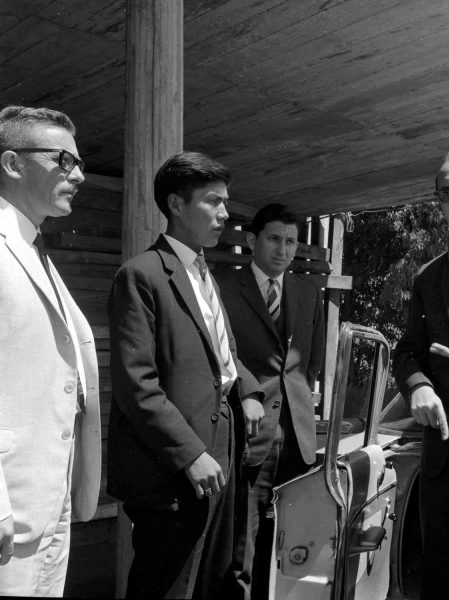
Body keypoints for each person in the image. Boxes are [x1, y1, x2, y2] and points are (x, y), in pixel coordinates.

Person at [107, 152, 262, 599]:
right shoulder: (141, 275)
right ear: (176, 204)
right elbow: (137, 385)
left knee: (216, 581)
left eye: (225, 201)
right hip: (174, 470)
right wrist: (190, 454)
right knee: (168, 586)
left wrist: (249, 391)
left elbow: (222, 355)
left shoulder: (204, 273)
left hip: (225, 453)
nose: (225, 213)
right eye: (213, 201)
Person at [0, 105, 101, 596]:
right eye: (64, 160)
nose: (78, 175)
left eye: (78, 162)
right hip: (10, 507)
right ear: (12, 163)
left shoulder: (35, 249)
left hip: (49, 499)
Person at [216, 203, 325, 599]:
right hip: (252, 431)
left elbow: (310, 363)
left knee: (290, 539)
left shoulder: (308, 292)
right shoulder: (224, 287)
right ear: (252, 240)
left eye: (291, 242)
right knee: (243, 542)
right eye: (275, 239)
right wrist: (247, 393)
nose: (283, 249)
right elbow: (222, 352)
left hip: (298, 436)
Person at [393, 149, 449, 600]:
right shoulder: (428, 277)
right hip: (443, 465)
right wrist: (419, 386)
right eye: (445, 193)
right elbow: (407, 351)